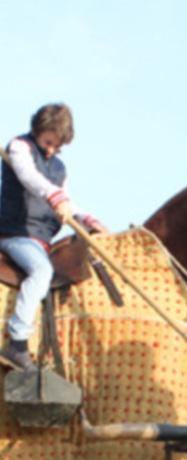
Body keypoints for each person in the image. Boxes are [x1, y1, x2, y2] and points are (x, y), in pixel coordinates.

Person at [0, 103, 107, 370]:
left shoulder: (60, 168)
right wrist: (54, 196)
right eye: (48, 142)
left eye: (57, 147)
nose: (50, 150)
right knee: (41, 271)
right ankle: (17, 342)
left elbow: (66, 201)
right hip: (16, 233)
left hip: (42, 240)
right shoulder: (19, 147)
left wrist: (87, 219)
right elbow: (29, 178)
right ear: (37, 130)